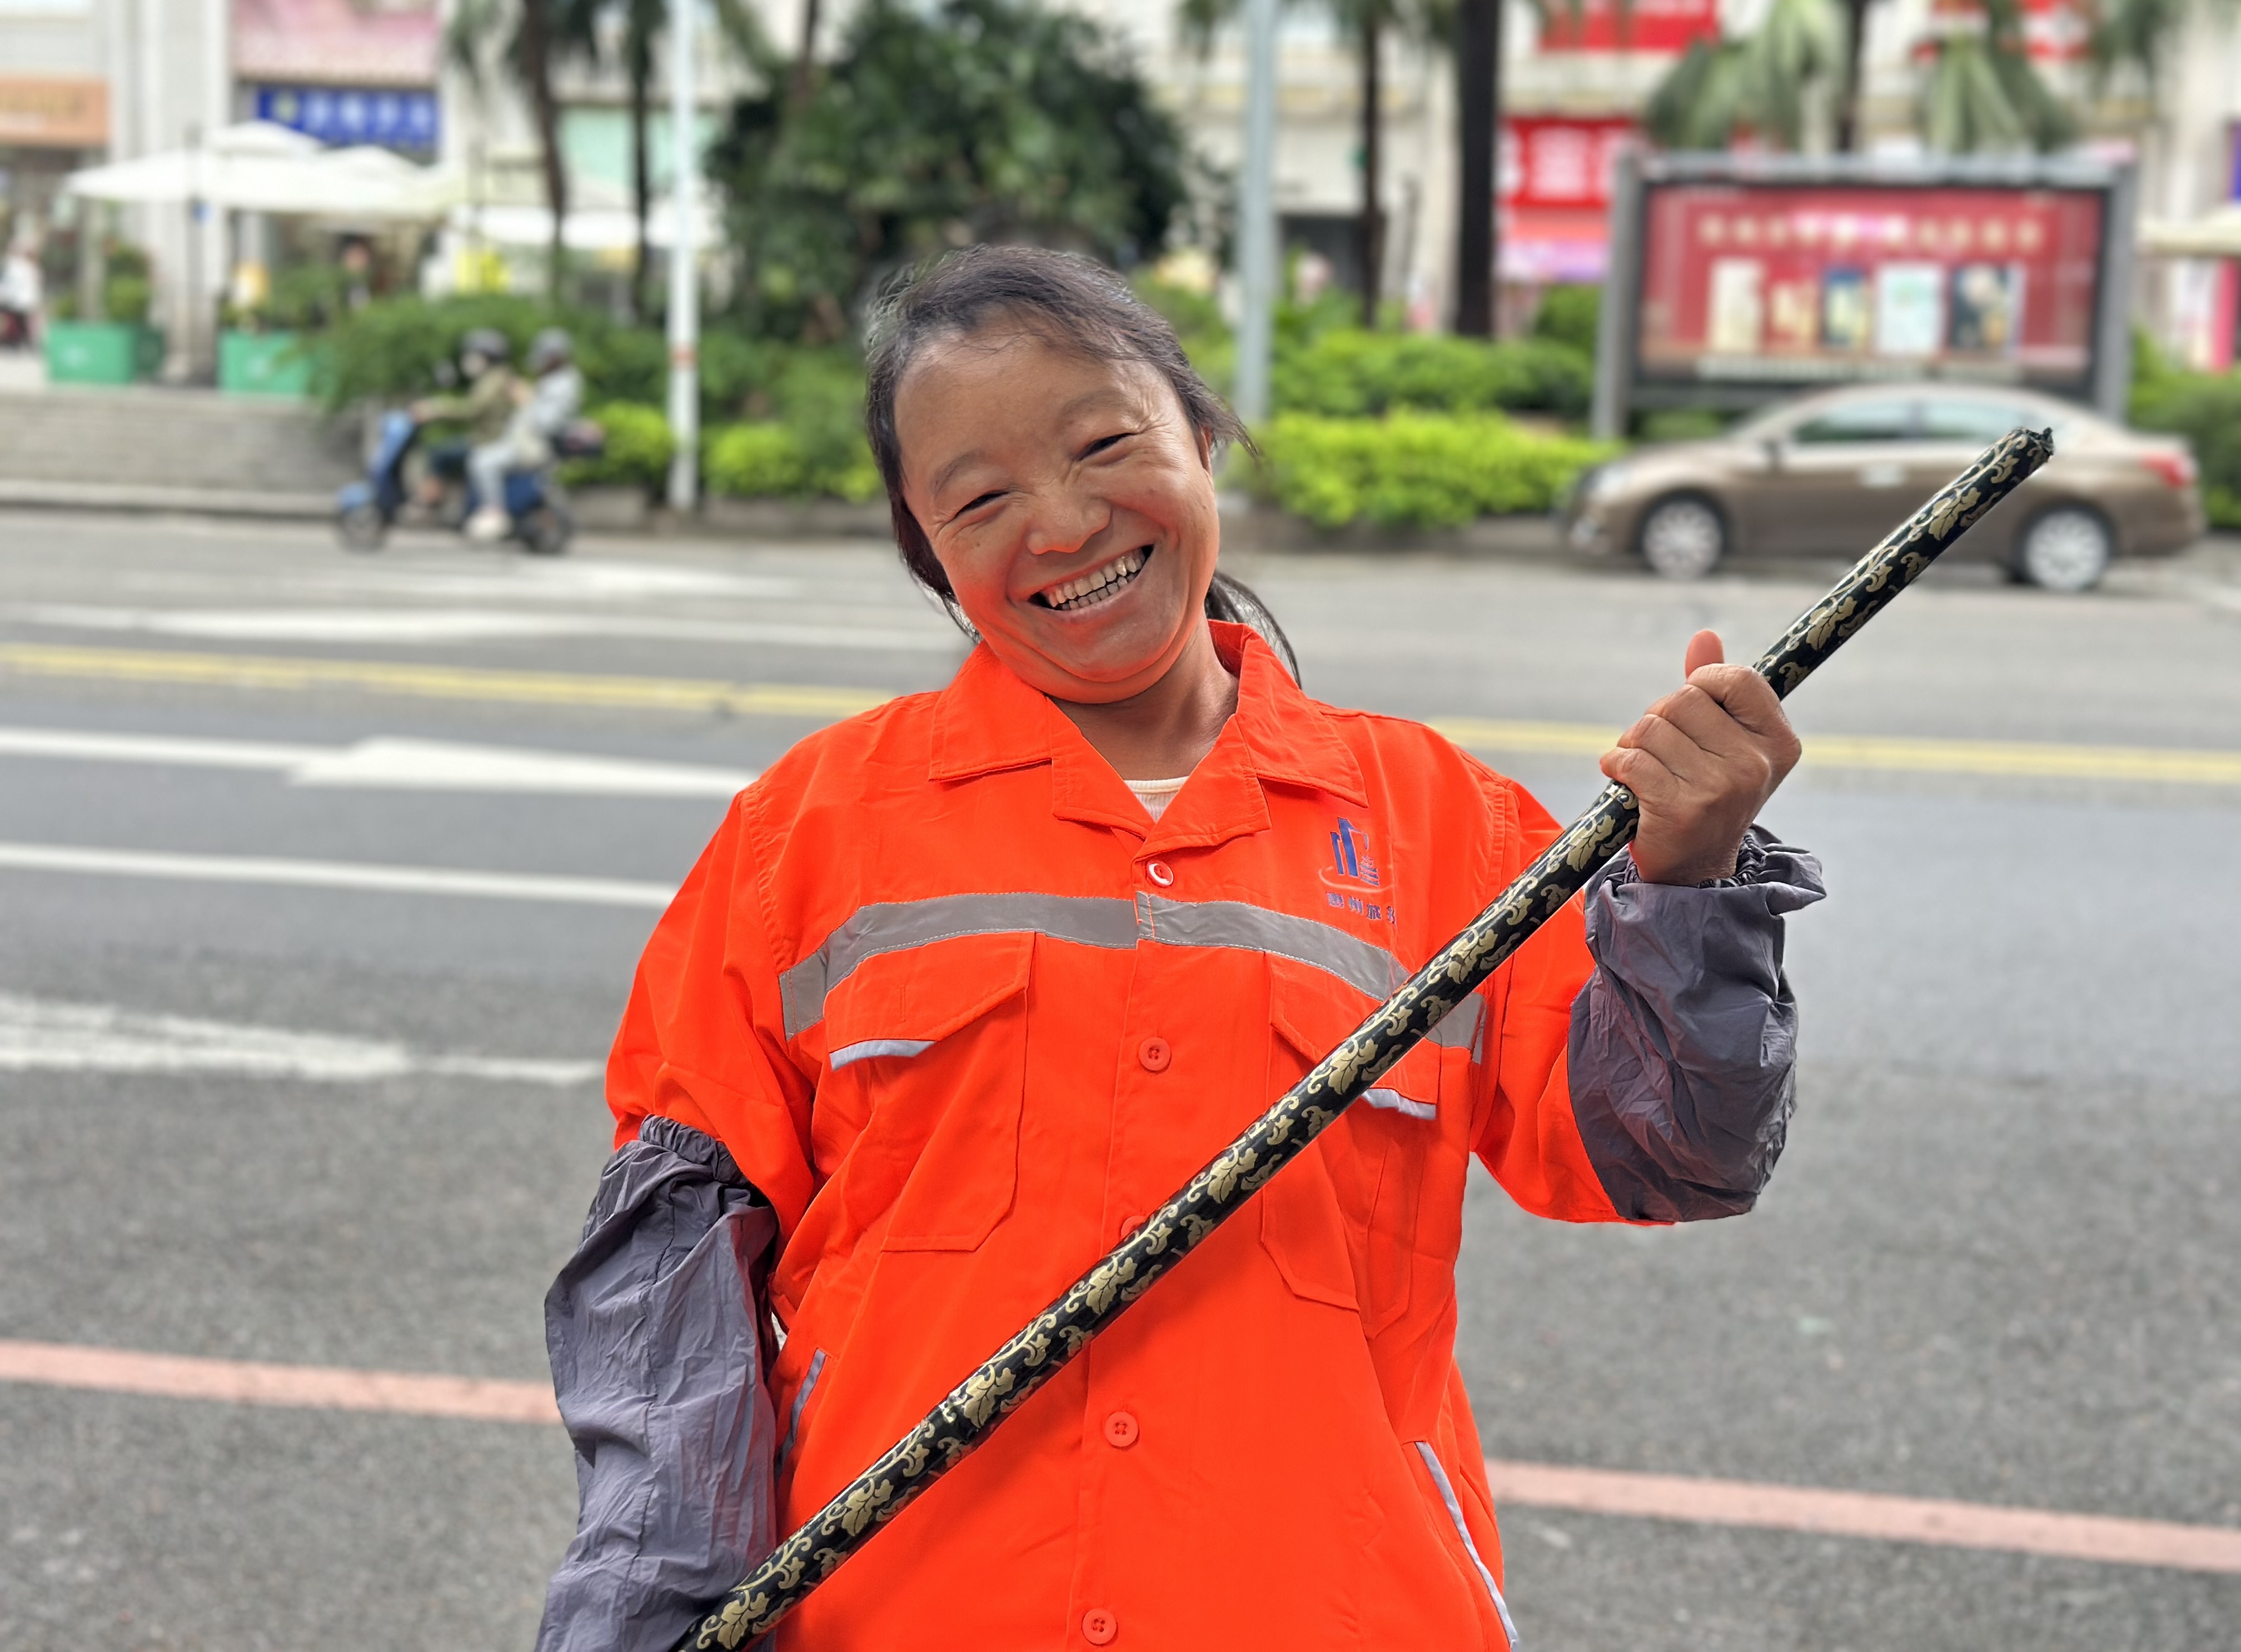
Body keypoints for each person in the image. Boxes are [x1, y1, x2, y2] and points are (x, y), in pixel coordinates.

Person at [535, 247, 1824, 1652]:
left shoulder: (1445, 825)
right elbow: (668, 1280)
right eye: (982, 499)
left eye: (1104, 446)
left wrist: (1690, 881)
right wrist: (645, 1616)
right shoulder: (805, 832)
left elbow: (1670, 1156)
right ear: (928, 549)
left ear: (1202, 438)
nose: (1065, 522)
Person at [461, 327, 584, 540]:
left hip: (535, 447)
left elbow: (546, 423)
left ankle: (495, 512)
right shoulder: (556, 381)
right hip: (525, 443)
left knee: (482, 462)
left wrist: (527, 400)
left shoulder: (563, 384)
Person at [410, 327, 517, 537]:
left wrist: (436, 409)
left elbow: (472, 409)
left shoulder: (494, 380)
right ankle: (451, 505)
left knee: (439, 455)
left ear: (487, 356)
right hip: (486, 438)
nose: (469, 360)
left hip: (487, 441)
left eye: (474, 354)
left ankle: (429, 501)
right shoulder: (495, 378)